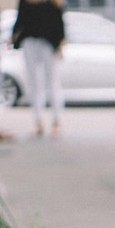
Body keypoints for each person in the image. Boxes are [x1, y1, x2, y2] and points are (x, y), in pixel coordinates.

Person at [11, 0, 65, 137]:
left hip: (49, 43)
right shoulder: (24, 1)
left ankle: (56, 121)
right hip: (29, 42)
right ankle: (38, 122)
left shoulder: (53, 2)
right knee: (34, 83)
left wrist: (60, 45)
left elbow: (59, 21)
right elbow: (20, 19)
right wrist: (12, 37)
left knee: (52, 81)